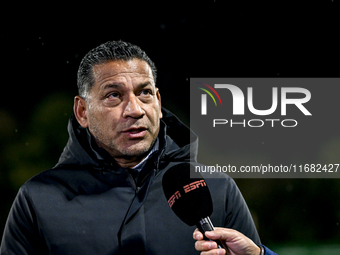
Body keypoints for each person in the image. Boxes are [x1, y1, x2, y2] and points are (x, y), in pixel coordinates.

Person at [0, 40, 273, 254]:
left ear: (157, 100)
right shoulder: (37, 200)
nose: (134, 109)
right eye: (114, 95)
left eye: (144, 93)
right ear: (82, 112)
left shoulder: (216, 187)